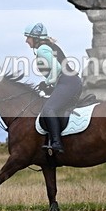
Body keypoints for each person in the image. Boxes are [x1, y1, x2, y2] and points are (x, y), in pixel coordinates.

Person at [24, 23, 83, 154]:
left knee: (48, 109)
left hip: (67, 82)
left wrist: (47, 82)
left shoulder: (42, 49)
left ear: (35, 37)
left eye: (28, 37)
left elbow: (56, 68)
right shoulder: (48, 46)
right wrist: (50, 85)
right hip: (71, 82)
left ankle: (57, 143)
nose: (26, 41)